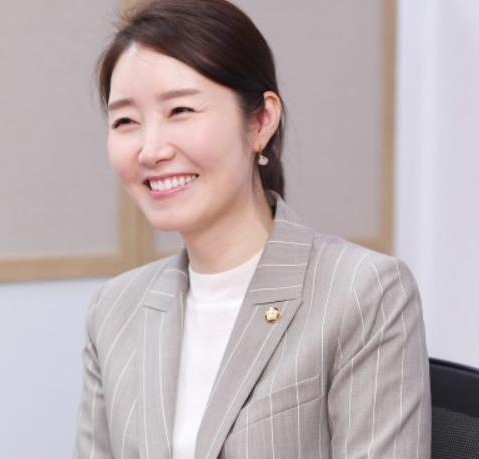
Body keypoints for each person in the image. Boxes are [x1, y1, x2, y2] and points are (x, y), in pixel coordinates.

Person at [73, 0, 431, 458]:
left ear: (261, 121)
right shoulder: (115, 309)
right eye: (125, 121)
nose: (151, 149)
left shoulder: (362, 293)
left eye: (180, 110)